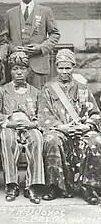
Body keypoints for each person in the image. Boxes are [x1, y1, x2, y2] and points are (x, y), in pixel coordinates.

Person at [39, 49, 101, 205]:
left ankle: (89, 187)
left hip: (81, 129)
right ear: (56, 68)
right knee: (52, 140)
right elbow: (43, 115)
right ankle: (55, 186)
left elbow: (95, 113)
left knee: (95, 140)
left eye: (68, 68)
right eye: (61, 68)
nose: (64, 71)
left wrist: (86, 127)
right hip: (59, 130)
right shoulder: (48, 88)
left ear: (73, 67)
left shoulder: (83, 88)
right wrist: (62, 127)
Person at [0, 51, 43, 204]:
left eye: (22, 68)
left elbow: (42, 115)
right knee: (6, 138)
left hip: (29, 125)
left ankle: (32, 185)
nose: (19, 72)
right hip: (10, 125)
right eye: (15, 69)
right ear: (10, 71)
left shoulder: (36, 92)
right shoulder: (1, 91)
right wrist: (10, 123)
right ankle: (12, 184)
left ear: (28, 71)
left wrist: (32, 124)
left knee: (37, 138)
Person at [6, 0, 60, 90]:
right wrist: (13, 48)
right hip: (17, 66)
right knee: (17, 96)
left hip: (38, 65)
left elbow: (55, 34)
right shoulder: (10, 13)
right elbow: (5, 38)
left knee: (39, 96)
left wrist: (40, 47)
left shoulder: (45, 11)